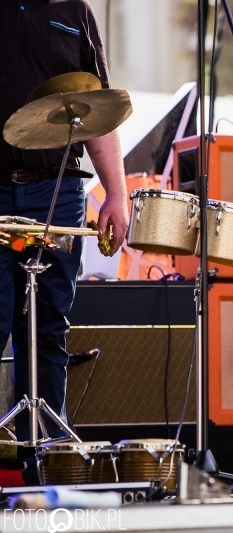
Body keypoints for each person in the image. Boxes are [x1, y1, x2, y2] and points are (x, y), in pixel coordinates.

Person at [0, 0, 128, 461]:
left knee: (47, 324)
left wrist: (117, 192)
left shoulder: (76, 12)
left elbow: (98, 109)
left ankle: (46, 455)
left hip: (59, 189)